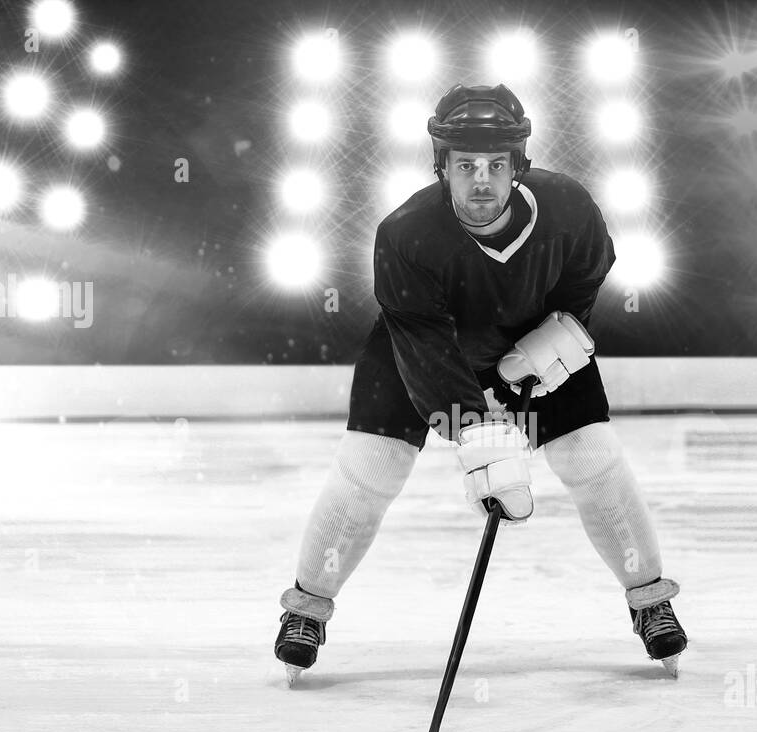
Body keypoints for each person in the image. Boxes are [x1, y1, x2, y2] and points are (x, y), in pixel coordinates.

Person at [274, 83, 687, 684]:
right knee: (371, 467)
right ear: (440, 166)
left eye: (496, 165)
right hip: (417, 353)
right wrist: (480, 440)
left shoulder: (570, 209)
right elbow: (423, 341)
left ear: (519, 165)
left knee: (593, 458)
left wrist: (558, 336)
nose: (481, 182)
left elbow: (585, 278)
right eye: (465, 166)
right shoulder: (404, 234)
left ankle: (650, 600)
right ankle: (307, 608)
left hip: (528, 340)